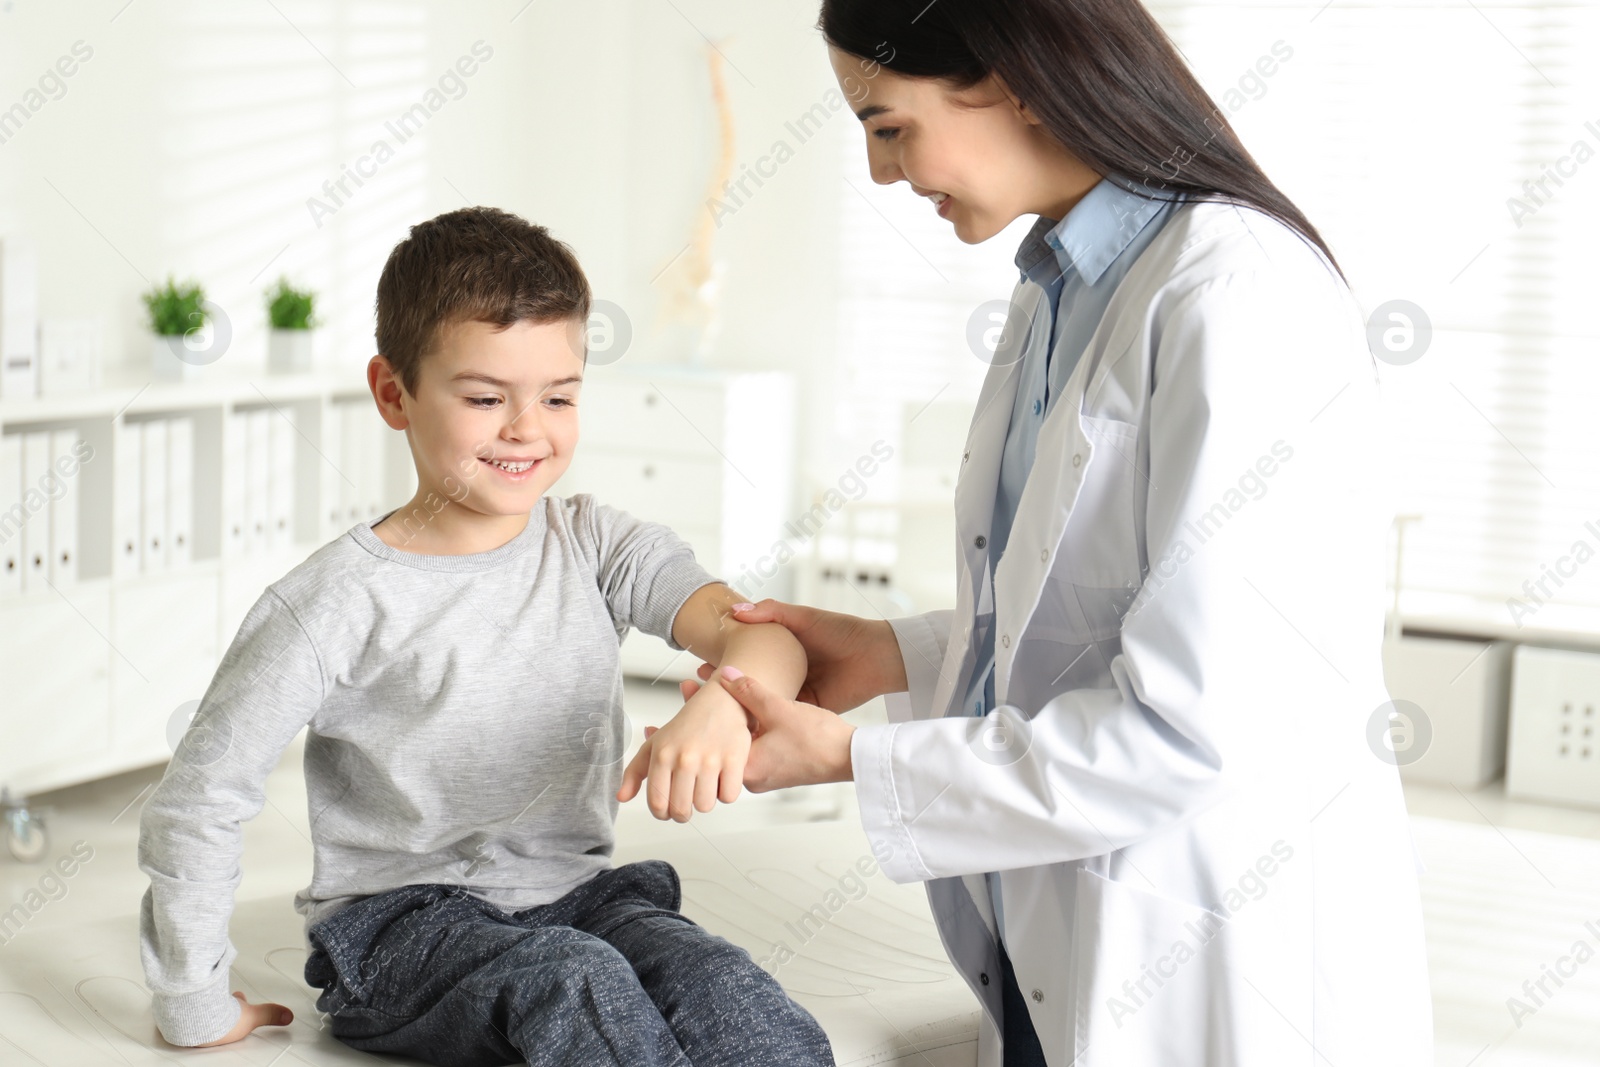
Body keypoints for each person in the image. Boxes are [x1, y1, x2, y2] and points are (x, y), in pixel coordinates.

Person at [677, 2, 1433, 1064]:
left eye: (889, 126)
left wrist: (859, 755)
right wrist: (900, 653)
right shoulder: (1059, 290)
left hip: (1204, 947)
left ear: (1014, 78)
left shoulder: (1232, 296)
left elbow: (1197, 720)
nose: (882, 174)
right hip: (1059, 934)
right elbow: (1093, 609)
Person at [136, 206, 835, 1066]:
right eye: (483, 397)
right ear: (395, 393)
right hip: (399, 929)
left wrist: (726, 702)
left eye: (559, 395)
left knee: (724, 984)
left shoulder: (598, 545)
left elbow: (770, 638)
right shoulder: (328, 603)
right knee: (574, 979)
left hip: (581, 897)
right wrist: (192, 998)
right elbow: (201, 796)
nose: (526, 428)